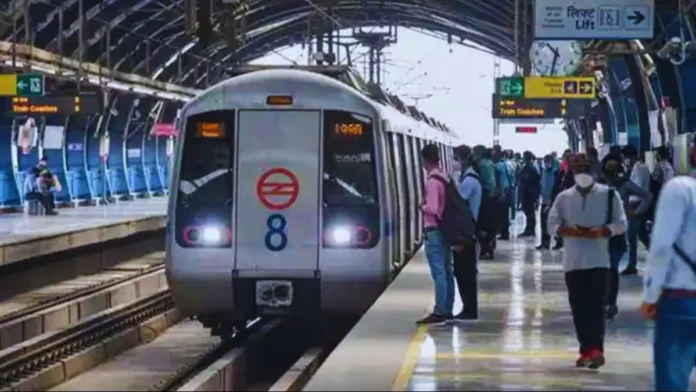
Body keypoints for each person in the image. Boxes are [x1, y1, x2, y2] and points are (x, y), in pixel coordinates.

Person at [547, 153, 627, 369]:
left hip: (600, 261)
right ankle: (585, 349)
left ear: (595, 173)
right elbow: (551, 224)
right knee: (579, 307)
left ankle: (596, 349)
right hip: (573, 262)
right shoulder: (563, 198)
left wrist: (604, 231)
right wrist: (566, 230)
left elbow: (621, 223)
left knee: (597, 307)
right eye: (578, 170)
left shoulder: (609, 195)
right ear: (572, 173)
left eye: (586, 170)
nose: (582, 175)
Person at [640, 135, 696, 391]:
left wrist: (650, 296)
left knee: (673, 382)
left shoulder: (681, 189)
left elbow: (661, 246)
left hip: (683, 302)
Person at [600, 154, 652, 319]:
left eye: (615, 168)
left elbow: (647, 196)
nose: (612, 172)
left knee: (612, 268)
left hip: (616, 232)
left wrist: (635, 212)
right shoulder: (597, 185)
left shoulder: (625, 185)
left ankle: (610, 303)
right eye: (609, 168)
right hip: (598, 232)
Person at [417, 144, 454, 325]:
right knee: (447, 270)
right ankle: (448, 307)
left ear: (424, 160)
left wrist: (421, 207)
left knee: (439, 271)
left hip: (434, 230)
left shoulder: (432, 182)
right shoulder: (444, 176)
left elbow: (432, 208)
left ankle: (440, 311)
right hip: (445, 229)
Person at [452, 145, 481, 322]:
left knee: (465, 274)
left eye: (455, 158)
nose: (454, 162)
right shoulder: (471, 178)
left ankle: (469, 310)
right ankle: (468, 309)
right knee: (465, 272)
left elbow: (460, 204)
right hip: (469, 231)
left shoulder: (469, 181)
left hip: (466, 233)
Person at [622, 145, 651, 276]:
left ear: (629, 157)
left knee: (631, 235)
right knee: (642, 234)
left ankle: (632, 265)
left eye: (625, 158)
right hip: (640, 203)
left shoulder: (639, 168)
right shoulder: (641, 166)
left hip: (637, 203)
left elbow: (638, 186)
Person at [473, 145, 497, 260]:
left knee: (483, 225)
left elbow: (480, 179)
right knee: (490, 224)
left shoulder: (482, 164)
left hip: (485, 195)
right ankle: (490, 248)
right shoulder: (492, 164)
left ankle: (485, 249)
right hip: (492, 195)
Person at [537, 154, 558, 250]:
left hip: (554, 202)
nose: (546, 164)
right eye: (545, 162)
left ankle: (558, 242)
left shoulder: (556, 173)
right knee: (543, 223)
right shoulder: (543, 172)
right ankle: (544, 243)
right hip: (544, 201)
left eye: (548, 161)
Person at [518, 151, 540, 237]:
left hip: (528, 192)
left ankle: (530, 229)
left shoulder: (528, 168)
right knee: (529, 211)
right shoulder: (532, 167)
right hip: (530, 192)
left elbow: (525, 181)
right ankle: (530, 228)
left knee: (529, 211)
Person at [493, 148, 511, 240]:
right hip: (507, 190)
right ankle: (505, 232)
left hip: (502, 190)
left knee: (501, 214)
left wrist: (501, 193)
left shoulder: (498, 165)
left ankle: (503, 233)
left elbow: (500, 179)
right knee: (505, 214)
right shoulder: (505, 164)